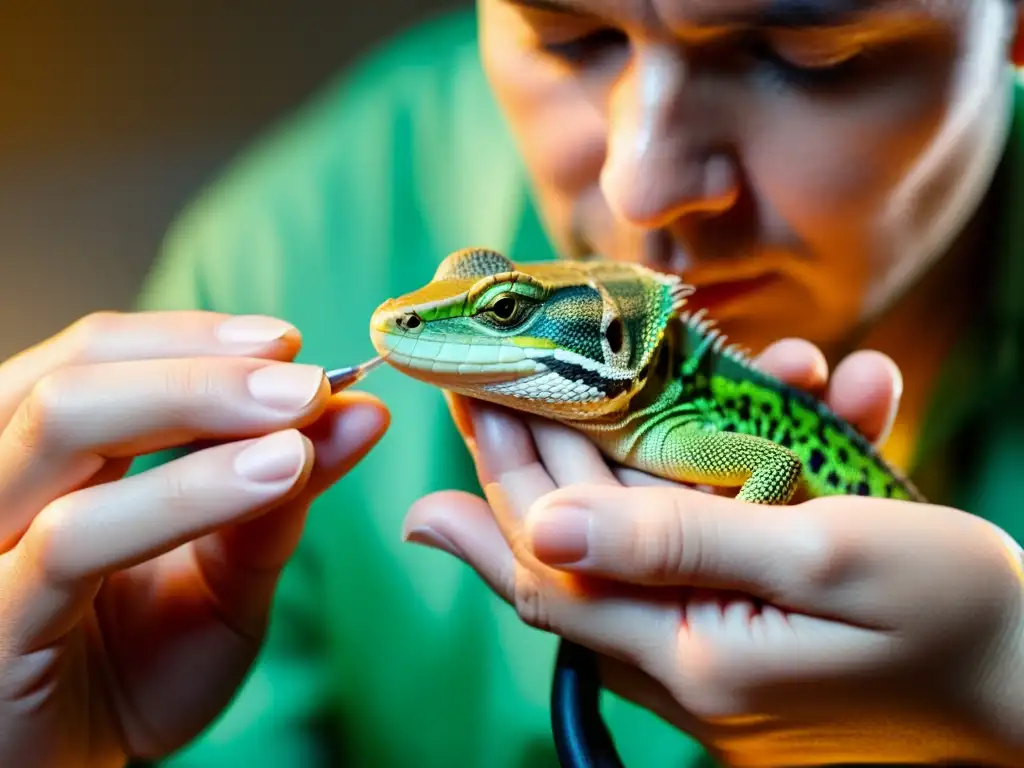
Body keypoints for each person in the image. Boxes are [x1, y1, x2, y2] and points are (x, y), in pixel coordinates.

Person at [1, 0, 1022, 766]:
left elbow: (761, 461)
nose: (644, 185)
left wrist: (1004, 689)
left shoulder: (683, 423)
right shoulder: (276, 250)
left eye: (807, 54)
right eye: (565, 33)